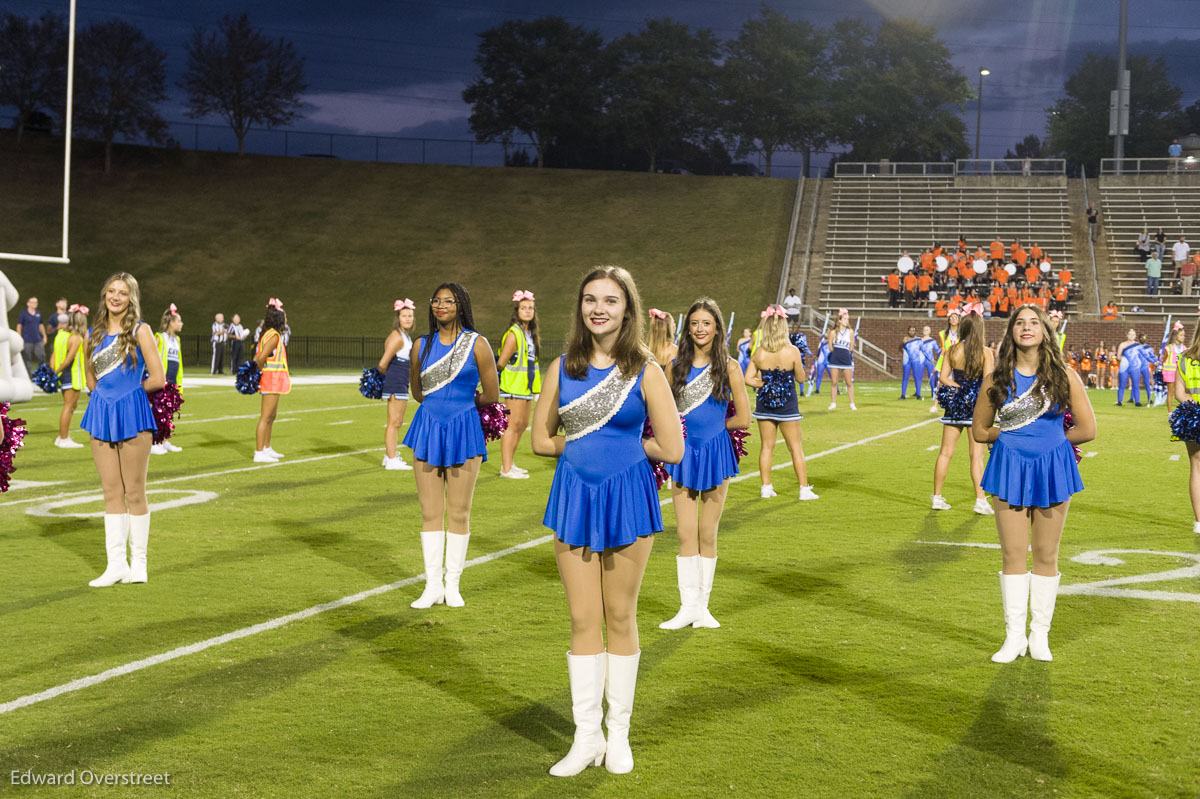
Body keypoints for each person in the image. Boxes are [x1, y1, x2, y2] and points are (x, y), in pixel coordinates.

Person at [531, 265, 683, 777]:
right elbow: (539, 439)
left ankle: (618, 734)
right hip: (574, 496)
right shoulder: (561, 367)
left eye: (610, 300)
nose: (598, 308)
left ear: (628, 309)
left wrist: (623, 445)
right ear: (580, 307)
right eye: (590, 299)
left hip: (627, 498)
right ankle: (585, 737)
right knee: (581, 619)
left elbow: (673, 446)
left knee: (620, 615)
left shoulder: (646, 370)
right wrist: (582, 446)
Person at [973, 305, 1095, 663]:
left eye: (1034, 323)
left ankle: (1039, 635)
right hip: (1009, 466)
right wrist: (1014, 433)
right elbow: (980, 431)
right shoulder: (996, 378)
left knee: (1046, 555)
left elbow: (1087, 430)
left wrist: (1053, 442)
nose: (1027, 328)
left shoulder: (1064, 376)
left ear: (1045, 331)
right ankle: (1014, 638)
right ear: (1011, 332)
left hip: (1052, 468)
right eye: (1020, 323)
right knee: (1012, 554)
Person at [404, 283, 499, 610]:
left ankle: (452, 585)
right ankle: (432, 586)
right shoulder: (421, 345)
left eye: (448, 301)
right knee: (430, 511)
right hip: (427, 428)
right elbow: (416, 391)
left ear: (461, 305)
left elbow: (491, 394)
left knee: (459, 511)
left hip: (464, 429)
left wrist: (461, 404)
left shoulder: (478, 345)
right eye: (436, 301)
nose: (440, 306)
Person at [660, 298, 750, 630]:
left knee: (706, 532)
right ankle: (687, 607)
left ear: (717, 328)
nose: (700, 329)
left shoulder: (729, 367)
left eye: (706, 323)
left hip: (714, 454)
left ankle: (704, 607)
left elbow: (744, 417)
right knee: (685, 532)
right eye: (695, 323)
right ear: (688, 328)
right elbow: (661, 413)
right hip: (682, 454)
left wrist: (714, 430)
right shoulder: (674, 367)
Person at [78, 273, 165, 587]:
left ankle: (138, 564)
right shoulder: (93, 333)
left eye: (122, 293)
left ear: (132, 298)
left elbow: (158, 378)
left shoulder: (141, 331)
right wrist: (104, 397)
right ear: (104, 295)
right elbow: (90, 381)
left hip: (132, 412)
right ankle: (116, 565)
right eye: (111, 292)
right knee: (111, 492)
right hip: (101, 413)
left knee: (135, 492)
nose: (115, 297)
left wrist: (129, 395)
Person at [745, 305, 817, 500]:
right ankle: (803, 489)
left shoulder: (759, 352)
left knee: (767, 447)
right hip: (787, 406)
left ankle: (766, 487)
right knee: (795, 448)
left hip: (764, 405)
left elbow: (747, 378)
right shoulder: (792, 351)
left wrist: (765, 383)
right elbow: (801, 379)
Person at [931, 312, 994, 514]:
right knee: (976, 456)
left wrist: (959, 388)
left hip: (956, 405)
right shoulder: (985, 352)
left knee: (945, 453)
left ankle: (937, 497)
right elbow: (987, 382)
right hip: (976, 407)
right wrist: (972, 393)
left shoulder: (952, 350)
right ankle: (980, 501)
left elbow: (943, 377)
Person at [496, 290, 541, 479]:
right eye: (524, 308)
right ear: (517, 311)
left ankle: (510, 463)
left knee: (522, 425)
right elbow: (501, 362)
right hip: (514, 387)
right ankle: (505, 468)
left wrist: (536, 389)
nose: (528, 311)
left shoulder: (530, 333)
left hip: (527, 388)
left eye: (530, 308)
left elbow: (533, 363)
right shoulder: (514, 333)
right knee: (512, 426)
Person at [378, 299, 416, 471]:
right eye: (404, 316)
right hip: (396, 383)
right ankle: (392, 459)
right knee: (394, 422)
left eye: (410, 316)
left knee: (397, 422)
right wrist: (390, 379)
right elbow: (382, 364)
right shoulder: (397, 337)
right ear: (398, 318)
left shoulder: (404, 335)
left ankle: (389, 456)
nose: (408, 319)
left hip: (401, 382)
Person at [253, 299, 291, 462]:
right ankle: (259, 452)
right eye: (285, 317)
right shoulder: (274, 336)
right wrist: (259, 372)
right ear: (279, 319)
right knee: (265, 416)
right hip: (270, 380)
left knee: (271, 416)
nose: (286, 320)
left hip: (275, 381)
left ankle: (267, 447)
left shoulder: (271, 334)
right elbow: (260, 358)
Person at [1171, 328, 1200, 533]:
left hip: (1194, 416)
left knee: (1196, 466)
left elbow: (1179, 394)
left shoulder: (1184, 358)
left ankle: (1199, 521)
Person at [50, 304, 88, 448]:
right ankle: (64, 439)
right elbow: (68, 359)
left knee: (71, 406)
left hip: (64, 375)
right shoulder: (76, 338)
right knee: (69, 406)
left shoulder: (61, 335)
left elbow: (53, 354)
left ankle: (61, 438)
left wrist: (53, 370)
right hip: (71, 376)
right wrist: (56, 371)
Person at [151, 304, 185, 455]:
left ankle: (164, 441)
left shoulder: (177, 339)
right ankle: (155, 442)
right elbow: (150, 357)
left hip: (172, 380)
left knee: (168, 413)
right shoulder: (160, 337)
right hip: (161, 379)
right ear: (171, 322)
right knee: (159, 412)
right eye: (179, 321)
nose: (181, 324)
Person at [931, 310, 961, 413]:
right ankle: (935, 404)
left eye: (956, 318)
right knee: (941, 383)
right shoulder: (943, 333)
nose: (953, 320)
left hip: (957, 359)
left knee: (956, 381)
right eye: (951, 318)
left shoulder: (961, 333)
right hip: (945, 360)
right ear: (948, 320)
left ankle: (955, 403)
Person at [826, 309, 856, 411]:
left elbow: (851, 346)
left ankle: (852, 403)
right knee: (834, 382)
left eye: (847, 319)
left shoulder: (850, 332)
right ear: (839, 320)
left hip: (846, 358)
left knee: (849, 383)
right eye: (845, 319)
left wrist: (846, 353)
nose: (847, 321)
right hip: (835, 359)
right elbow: (830, 346)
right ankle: (833, 403)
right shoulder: (833, 332)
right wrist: (836, 353)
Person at [16, 296, 46, 374]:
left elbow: (40, 325)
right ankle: (28, 376)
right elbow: (19, 326)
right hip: (27, 340)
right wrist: (20, 337)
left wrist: (44, 335)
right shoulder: (23, 313)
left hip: (37, 339)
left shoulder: (38, 313)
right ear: (28, 303)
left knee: (41, 356)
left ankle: (41, 374)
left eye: (36, 302)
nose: (34, 304)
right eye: (32, 302)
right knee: (26, 359)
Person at [1162, 322, 1187, 412]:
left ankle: (1183, 410)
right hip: (1170, 372)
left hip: (1180, 373)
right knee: (1171, 392)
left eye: (1184, 335)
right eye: (1181, 335)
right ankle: (1170, 412)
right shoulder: (1169, 348)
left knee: (1181, 392)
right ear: (1176, 336)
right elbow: (1164, 360)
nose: (1183, 337)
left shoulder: (1184, 348)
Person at [1115, 329, 1141, 406]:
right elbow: (1118, 357)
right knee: (1122, 384)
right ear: (1127, 335)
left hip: (1135, 367)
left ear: (1135, 336)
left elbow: (1141, 356)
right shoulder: (1122, 344)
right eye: (1130, 334)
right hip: (1124, 367)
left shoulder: (1138, 345)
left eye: (1133, 334)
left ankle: (1137, 402)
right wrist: (1124, 359)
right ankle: (1119, 401)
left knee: (1136, 384)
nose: (1131, 336)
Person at [900, 325, 925, 399]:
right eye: (910, 330)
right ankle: (903, 395)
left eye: (913, 330)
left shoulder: (918, 340)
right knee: (905, 377)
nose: (912, 332)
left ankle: (918, 394)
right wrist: (904, 353)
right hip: (907, 361)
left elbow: (922, 349)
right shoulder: (905, 339)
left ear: (915, 331)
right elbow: (900, 347)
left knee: (917, 377)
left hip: (916, 360)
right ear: (908, 331)